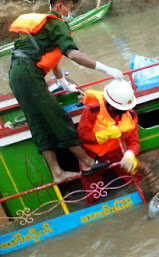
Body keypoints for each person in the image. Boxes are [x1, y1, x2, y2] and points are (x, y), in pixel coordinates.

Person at [8, 0, 124, 182]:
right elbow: (73, 54)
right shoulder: (57, 23)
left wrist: (62, 80)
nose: (71, 11)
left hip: (16, 74)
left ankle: (57, 173)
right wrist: (106, 69)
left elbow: (53, 56)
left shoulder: (45, 24)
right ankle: (86, 162)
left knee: (38, 123)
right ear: (60, 5)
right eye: (70, 8)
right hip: (29, 74)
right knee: (57, 117)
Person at [77, 81, 157, 204]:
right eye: (118, 109)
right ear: (109, 104)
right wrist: (103, 135)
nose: (121, 112)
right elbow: (82, 135)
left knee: (136, 180)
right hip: (91, 157)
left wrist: (130, 155)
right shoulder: (92, 110)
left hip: (117, 154)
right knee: (94, 194)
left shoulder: (130, 115)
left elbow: (134, 142)